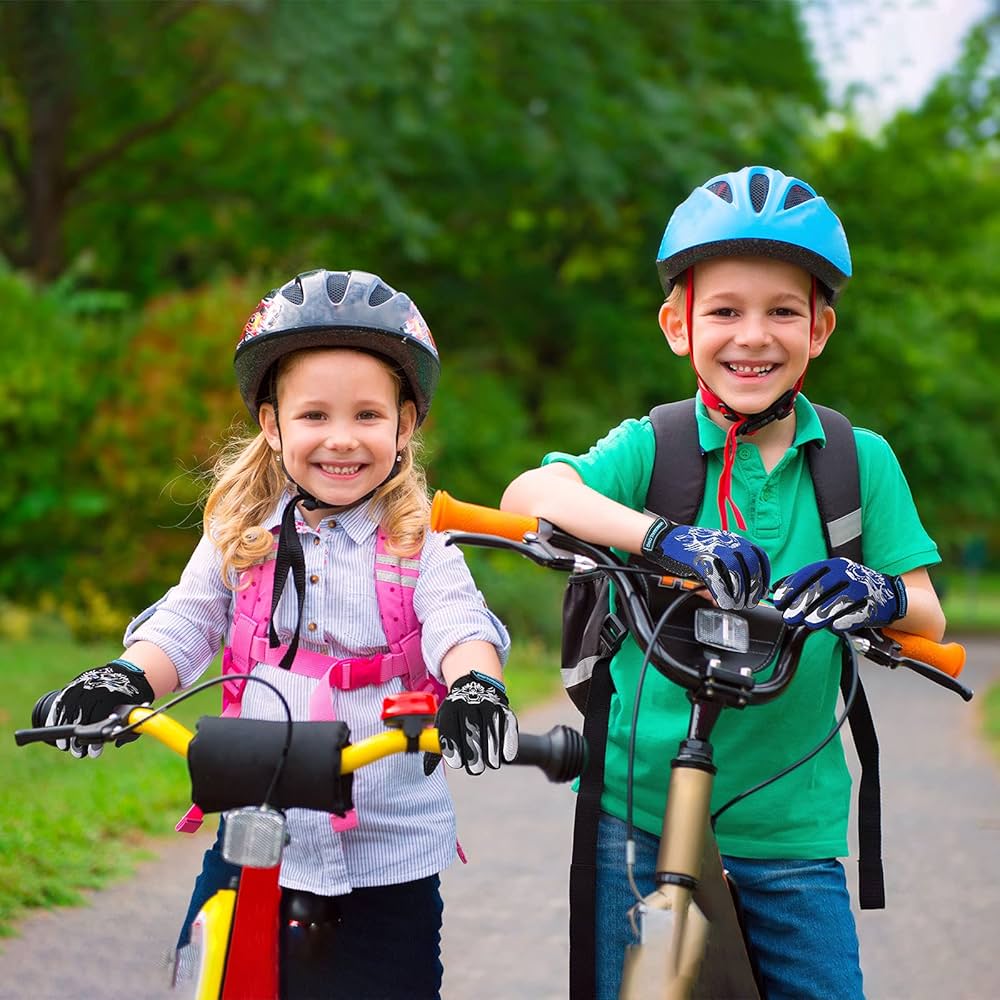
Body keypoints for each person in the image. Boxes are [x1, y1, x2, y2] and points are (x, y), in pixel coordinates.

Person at [500, 166, 945, 1000]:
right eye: (725, 311)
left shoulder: (856, 461)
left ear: (820, 328)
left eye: (782, 312)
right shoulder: (656, 447)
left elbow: (927, 611)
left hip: (791, 828)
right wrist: (662, 537)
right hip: (638, 809)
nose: (754, 336)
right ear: (678, 325)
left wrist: (879, 596)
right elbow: (530, 496)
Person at [41, 268, 519, 1000]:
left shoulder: (419, 543)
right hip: (254, 832)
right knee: (207, 980)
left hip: (385, 853)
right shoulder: (241, 535)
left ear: (405, 426)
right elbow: (188, 620)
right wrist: (125, 680)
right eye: (314, 416)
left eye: (367, 416)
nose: (341, 440)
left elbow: (460, 626)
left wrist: (476, 685)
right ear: (272, 425)